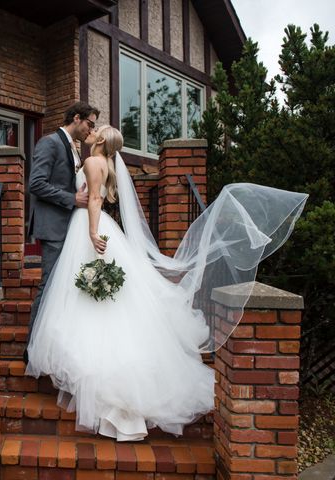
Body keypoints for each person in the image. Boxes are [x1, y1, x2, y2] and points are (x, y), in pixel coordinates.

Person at [25, 125, 308, 441]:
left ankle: (109, 389)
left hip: (90, 229)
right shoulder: (103, 162)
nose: (92, 131)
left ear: (102, 140)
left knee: (89, 299)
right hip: (100, 228)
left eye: (97, 130)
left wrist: (92, 234)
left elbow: (93, 200)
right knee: (103, 301)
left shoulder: (93, 162)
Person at [25, 102, 100, 362]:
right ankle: (32, 349)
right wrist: (72, 199)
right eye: (89, 124)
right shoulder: (50, 142)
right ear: (76, 118)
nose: (91, 130)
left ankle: (54, 347)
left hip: (68, 227)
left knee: (63, 287)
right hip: (53, 227)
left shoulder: (72, 148)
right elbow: (36, 184)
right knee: (49, 285)